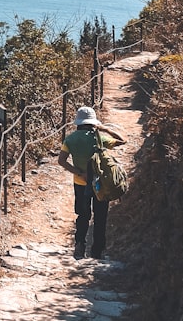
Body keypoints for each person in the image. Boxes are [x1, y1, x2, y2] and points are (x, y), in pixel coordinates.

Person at [57, 106, 125, 259]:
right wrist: (105, 129)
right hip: (101, 184)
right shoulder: (99, 138)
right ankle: (97, 251)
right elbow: (123, 140)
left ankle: (80, 244)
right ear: (93, 123)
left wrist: (79, 172)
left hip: (80, 183)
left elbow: (61, 160)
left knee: (82, 215)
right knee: (100, 218)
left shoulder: (70, 139)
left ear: (78, 122)